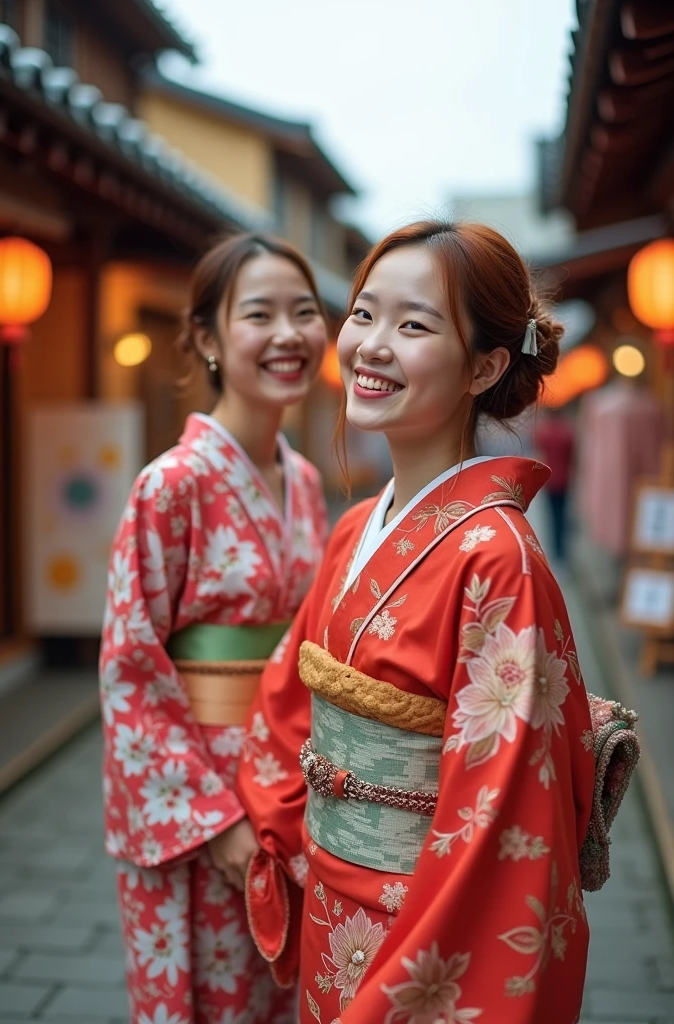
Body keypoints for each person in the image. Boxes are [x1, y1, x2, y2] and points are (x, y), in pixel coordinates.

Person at [236, 221, 596, 1023]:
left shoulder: (499, 560)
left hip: (425, 933)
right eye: (364, 314)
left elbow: (504, 816)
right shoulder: (352, 527)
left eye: (414, 324)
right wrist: (274, 825)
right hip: (330, 900)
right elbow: (290, 701)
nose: (370, 345)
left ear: (485, 366)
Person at [99, 232, 329, 1024]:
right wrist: (215, 821)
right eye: (259, 313)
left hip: (285, 788)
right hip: (199, 805)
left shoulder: (302, 480)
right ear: (206, 337)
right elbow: (130, 663)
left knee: (278, 992)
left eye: (305, 312)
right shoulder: (172, 485)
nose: (289, 334)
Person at [535, 407, 576, 562]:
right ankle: (562, 550)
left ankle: (554, 549)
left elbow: (539, 450)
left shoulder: (544, 432)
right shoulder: (567, 432)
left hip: (550, 479)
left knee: (552, 516)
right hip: (565, 479)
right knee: (562, 515)